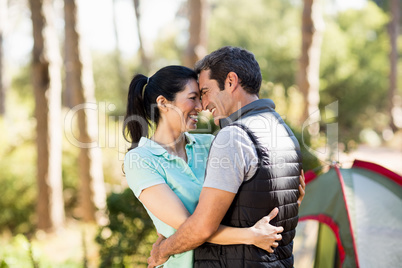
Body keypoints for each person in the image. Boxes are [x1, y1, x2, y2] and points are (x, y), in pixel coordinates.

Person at [123, 65, 305, 268]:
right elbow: (189, 226)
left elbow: (240, 202)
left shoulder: (210, 144)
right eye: (192, 98)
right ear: (163, 103)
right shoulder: (140, 160)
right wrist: (250, 235)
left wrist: (284, 196)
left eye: (201, 97)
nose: (201, 107)